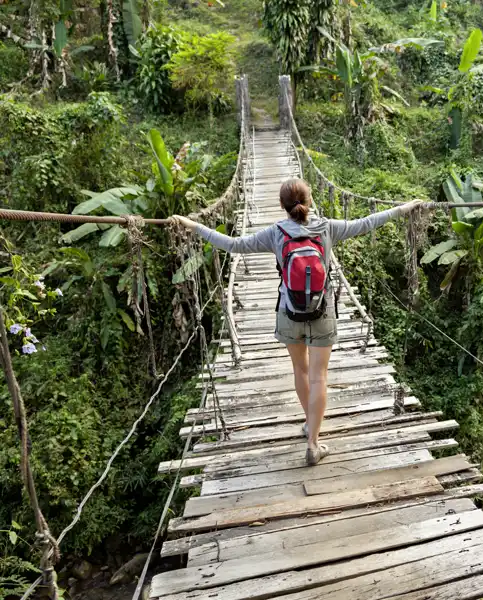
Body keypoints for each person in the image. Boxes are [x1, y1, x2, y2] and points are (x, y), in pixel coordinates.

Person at [172, 178, 422, 466]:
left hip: (288, 311)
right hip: (322, 311)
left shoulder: (275, 233)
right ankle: (314, 443)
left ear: (281, 205)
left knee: (300, 371)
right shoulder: (327, 227)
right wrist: (402, 209)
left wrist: (194, 226)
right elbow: (365, 223)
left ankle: (308, 423)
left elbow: (234, 244)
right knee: (319, 377)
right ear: (310, 201)